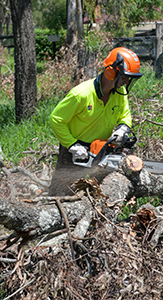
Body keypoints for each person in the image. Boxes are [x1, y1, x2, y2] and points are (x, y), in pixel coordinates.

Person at [48, 47, 143, 196]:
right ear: (110, 72)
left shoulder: (120, 92)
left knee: (100, 193)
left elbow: (125, 114)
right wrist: (72, 145)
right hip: (76, 149)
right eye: (124, 76)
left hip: (102, 147)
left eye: (129, 78)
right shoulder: (81, 94)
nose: (126, 81)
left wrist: (123, 128)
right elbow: (56, 119)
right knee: (61, 192)